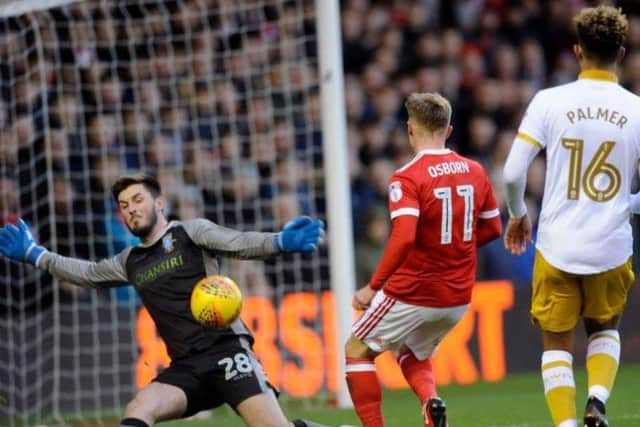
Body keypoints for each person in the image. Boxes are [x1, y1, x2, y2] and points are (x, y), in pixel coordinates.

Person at [0, 173, 328, 427]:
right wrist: (35, 254)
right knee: (139, 408)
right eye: (124, 206)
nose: (131, 209)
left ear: (159, 203)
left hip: (228, 354)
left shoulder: (190, 232)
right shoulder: (129, 260)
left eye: (138, 199)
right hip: (186, 367)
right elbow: (86, 273)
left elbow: (238, 242)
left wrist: (280, 241)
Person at [503, 6, 637, 427]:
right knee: (604, 329)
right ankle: (597, 400)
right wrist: (627, 205)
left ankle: (565, 425)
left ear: (578, 51)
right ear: (620, 52)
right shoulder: (636, 110)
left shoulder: (550, 101)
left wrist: (517, 213)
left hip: (558, 245)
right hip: (611, 248)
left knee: (556, 345)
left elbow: (511, 172)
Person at [344, 92, 502, 427]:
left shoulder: (407, 177)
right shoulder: (475, 170)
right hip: (458, 296)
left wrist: (372, 288)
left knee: (357, 348)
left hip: (414, 290)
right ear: (448, 131)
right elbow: (493, 228)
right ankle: (431, 405)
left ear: (410, 129)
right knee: (412, 353)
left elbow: (403, 237)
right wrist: (454, 250)